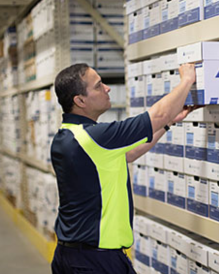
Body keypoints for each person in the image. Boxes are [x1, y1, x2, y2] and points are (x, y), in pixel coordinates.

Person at [50, 63, 196, 274]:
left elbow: (129, 154)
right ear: (80, 100)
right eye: (99, 85)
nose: (107, 88)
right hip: (95, 261)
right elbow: (157, 115)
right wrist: (187, 80)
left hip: (70, 255)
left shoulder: (67, 136)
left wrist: (168, 123)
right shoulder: (94, 137)